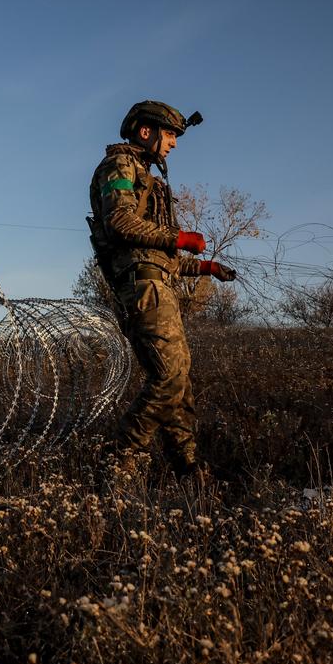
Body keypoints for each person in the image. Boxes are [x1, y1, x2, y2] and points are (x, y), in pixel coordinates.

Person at [86, 100, 236, 478]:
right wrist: (180, 237)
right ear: (145, 131)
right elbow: (120, 222)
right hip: (143, 289)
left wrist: (204, 267)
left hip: (158, 283)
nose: (173, 143)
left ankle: (187, 467)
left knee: (180, 380)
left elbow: (160, 254)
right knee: (168, 377)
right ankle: (114, 459)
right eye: (170, 134)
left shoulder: (147, 176)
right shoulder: (119, 166)